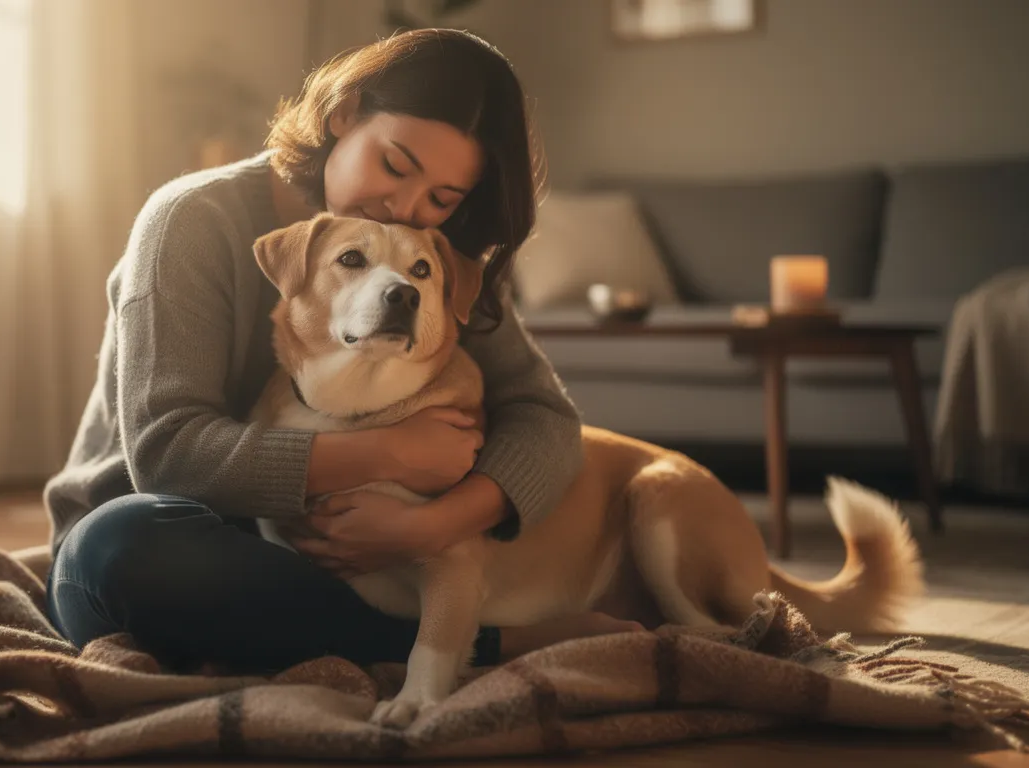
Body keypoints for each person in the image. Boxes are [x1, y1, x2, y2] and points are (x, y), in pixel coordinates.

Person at [42, 28, 641, 675]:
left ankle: (369, 636)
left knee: (306, 579)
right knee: (122, 545)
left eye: (442, 198)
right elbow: (166, 453)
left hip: (301, 563)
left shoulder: (424, 257)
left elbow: (547, 418)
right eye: (395, 165)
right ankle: (485, 647)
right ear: (343, 113)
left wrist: (433, 527)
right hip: (158, 537)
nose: (407, 208)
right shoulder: (192, 221)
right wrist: (390, 452)